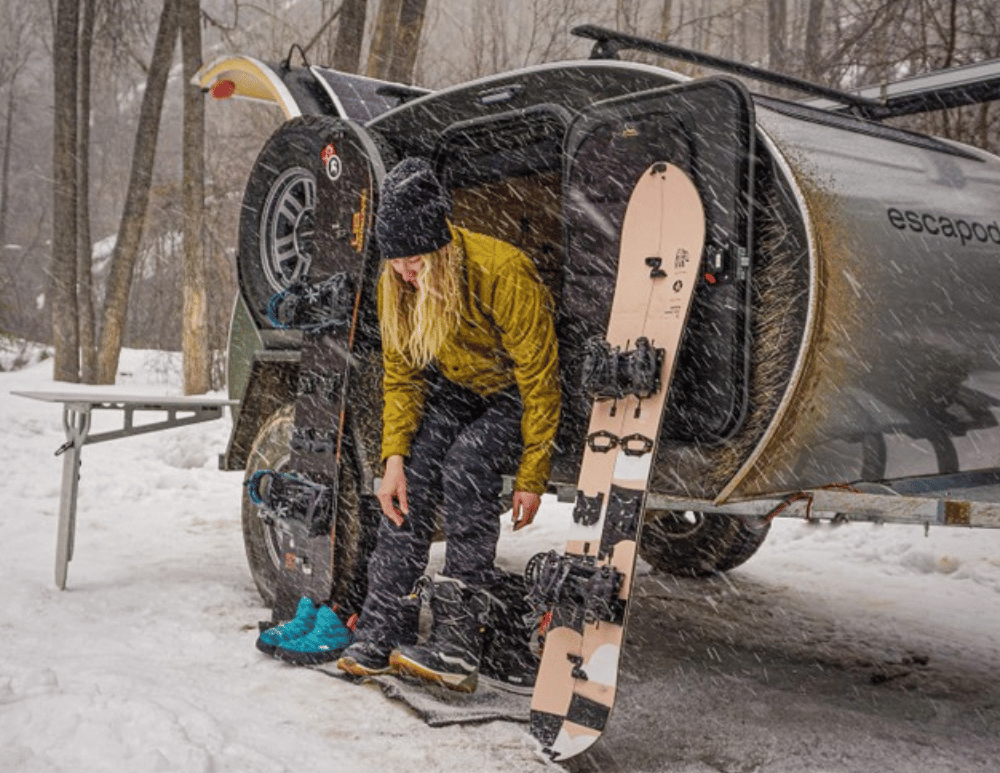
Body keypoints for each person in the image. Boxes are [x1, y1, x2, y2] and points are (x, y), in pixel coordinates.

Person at [335, 157, 561, 693]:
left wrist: (533, 473)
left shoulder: (503, 271)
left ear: (440, 246)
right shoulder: (400, 284)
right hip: (461, 389)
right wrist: (392, 463)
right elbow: (403, 377)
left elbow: (539, 379)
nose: (406, 274)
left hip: (514, 395)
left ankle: (459, 640)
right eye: (396, 264)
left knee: (466, 464)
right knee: (414, 470)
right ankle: (383, 622)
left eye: (414, 262)